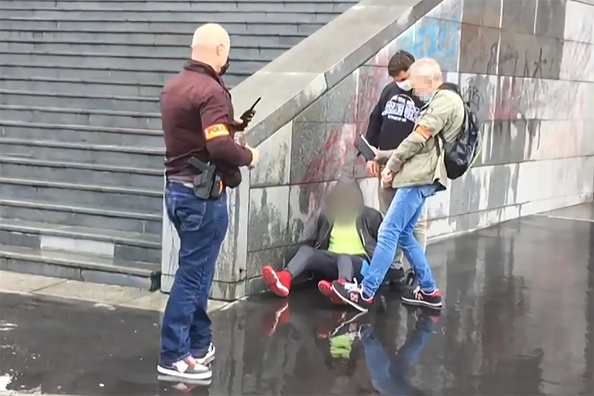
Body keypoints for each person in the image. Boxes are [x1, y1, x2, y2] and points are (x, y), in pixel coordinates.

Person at [158, 23, 259, 380]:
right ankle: (173, 354)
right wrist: (247, 154)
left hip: (176, 190)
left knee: (197, 272)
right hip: (203, 196)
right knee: (192, 276)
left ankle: (200, 343)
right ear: (219, 51)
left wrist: (228, 129)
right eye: (226, 52)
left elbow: (198, 136)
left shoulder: (174, 86)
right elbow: (218, 148)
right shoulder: (212, 91)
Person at [331, 58, 465, 311]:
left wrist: (391, 166)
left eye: (415, 85)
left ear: (429, 80)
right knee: (403, 233)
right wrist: (382, 156)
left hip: (418, 178)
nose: (414, 91)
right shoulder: (442, 100)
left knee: (388, 230)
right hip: (420, 175)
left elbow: (416, 140)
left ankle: (366, 292)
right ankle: (428, 290)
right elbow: (422, 145)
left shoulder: (444, 101)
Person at [261, 178, 383, 304]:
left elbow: (385, 245)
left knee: (344, 259)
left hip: (360, 264)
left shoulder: (370, 216)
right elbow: (319, 241)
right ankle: (284, 279)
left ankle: (343, 289)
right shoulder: (328, 215)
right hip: (333, 260)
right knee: (306, 251)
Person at [364, 50, 426, 284]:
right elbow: (375, 122)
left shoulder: (424, 95)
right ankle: (394, 266)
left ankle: (416, 271)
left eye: (403, 78)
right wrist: (371, 156)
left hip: (413, 169)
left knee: (415, 222)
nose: (400, 84)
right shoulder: (389, 92)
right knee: (388, 218)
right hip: (387, 166)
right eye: (396, 80)